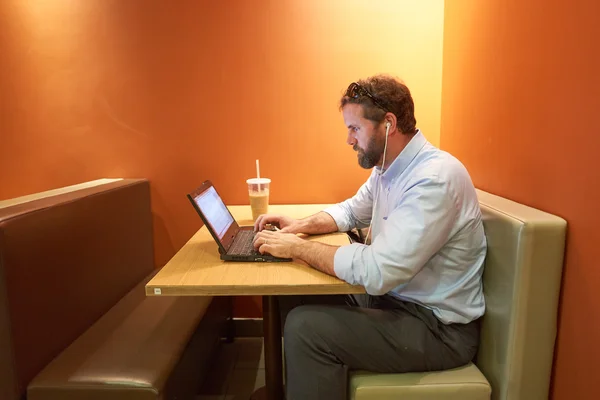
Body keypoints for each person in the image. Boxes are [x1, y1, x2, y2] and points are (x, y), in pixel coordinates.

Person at [252, 74, 486, 400]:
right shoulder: (388, 168)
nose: (349, 140)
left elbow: (379, 271)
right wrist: (298, 226)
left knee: (306, 329)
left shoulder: (433, 180)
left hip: (438, 328)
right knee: (294, 294)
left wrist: (299, 248)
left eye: (354, 128)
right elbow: (351, 211)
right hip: (395, 301)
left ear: (388, 124)